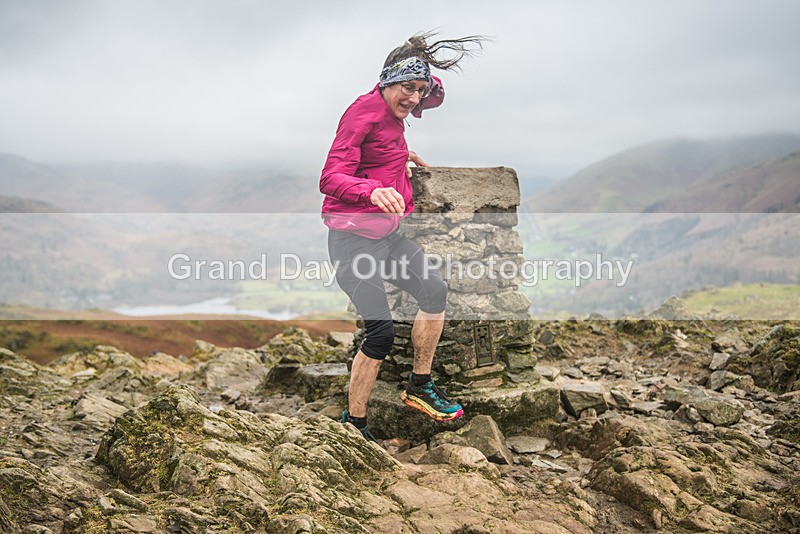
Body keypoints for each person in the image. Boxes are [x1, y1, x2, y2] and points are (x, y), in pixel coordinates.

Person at [319, 32, 485, 441]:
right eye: (407, 88)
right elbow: (330, 176)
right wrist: (371, 190)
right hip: (352, 243)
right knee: (380, 331)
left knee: (434, 292)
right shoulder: (364, 112)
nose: (414, 98)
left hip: (388, 238)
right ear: (387, 82)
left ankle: (419, 386)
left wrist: (400, 157)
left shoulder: (393, 115)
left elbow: (385, 143)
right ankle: (354, 425)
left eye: (420, 90)